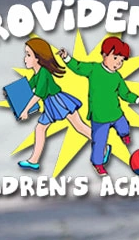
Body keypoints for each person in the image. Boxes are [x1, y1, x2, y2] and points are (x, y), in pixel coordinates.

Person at [59, 37, 139, 175]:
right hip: (99, 117)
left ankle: (124, 135)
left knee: (124, 126)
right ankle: (98, 164)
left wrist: (138, 100)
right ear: (104, 55)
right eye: (115, 58)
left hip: (116, 113)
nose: (118, 63)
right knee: (99, 143)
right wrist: (66, 58)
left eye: (121, 61)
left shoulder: (117, 77)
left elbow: (125, 94)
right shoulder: (94, 69)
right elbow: (78, 67)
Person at [16, 38, 93, 170]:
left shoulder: (44, 73)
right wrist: (12, 96)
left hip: (58, 102)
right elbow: (27, 89)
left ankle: (103, 146)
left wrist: (25, 111)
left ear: (38, 58)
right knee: (43, 128)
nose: (25, 59)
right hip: (52, 103)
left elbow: (38, 95)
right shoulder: (37, 74)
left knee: (79, 126)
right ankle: (34, 160)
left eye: (29, 55)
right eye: (26, 54)